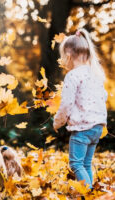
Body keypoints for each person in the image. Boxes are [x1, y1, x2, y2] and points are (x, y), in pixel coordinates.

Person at [53, 28, 107, 190]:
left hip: (82, 128)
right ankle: (92, 193)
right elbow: (102, 97)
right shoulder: (94, 75)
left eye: (63, 57)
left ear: (68, 55)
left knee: (76, 164)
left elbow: (67, 104)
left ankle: (88, 193)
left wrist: (57, 122)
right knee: (86, 163)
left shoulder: (73, 76)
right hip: (97, 127)